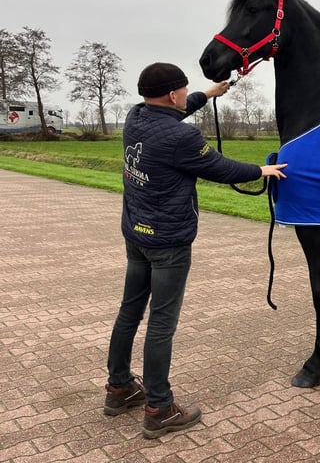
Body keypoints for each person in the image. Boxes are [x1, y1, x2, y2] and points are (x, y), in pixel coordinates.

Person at [104, 62, 287, 439]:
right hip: (169, 243)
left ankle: (119, 388)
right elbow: (220, 168)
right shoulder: (182, 138)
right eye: (185, 90)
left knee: (129, 312)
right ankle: (159, 408)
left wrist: (210, 93)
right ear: (173, 95)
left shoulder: (135, 117)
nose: (188, 95)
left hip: (136, 236)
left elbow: (173, 116)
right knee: (161, 324)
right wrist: (261, 171)